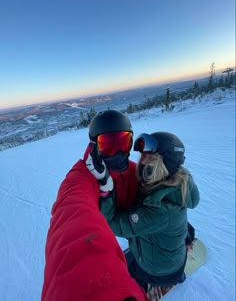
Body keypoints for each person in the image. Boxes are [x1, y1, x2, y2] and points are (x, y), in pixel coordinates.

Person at [41, 110, 149, 301]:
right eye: (107, 145)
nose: (117, 152)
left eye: (122, 142)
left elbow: (162, 193)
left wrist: (179, 225)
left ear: (131, 143)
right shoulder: (81, 176)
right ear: (94, 147)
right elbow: (72, 215)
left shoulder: (134, 171)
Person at [95, 131, 200, 292]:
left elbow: (112, 224)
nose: (143, 161)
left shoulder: (160, 211)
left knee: (123, 270)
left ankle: (146, 285)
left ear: (166, 163)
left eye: (152, 158)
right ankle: (178, 275)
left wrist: (106, 193)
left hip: (157, 272)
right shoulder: (175, 181)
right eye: (143, 155)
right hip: (175, 261)